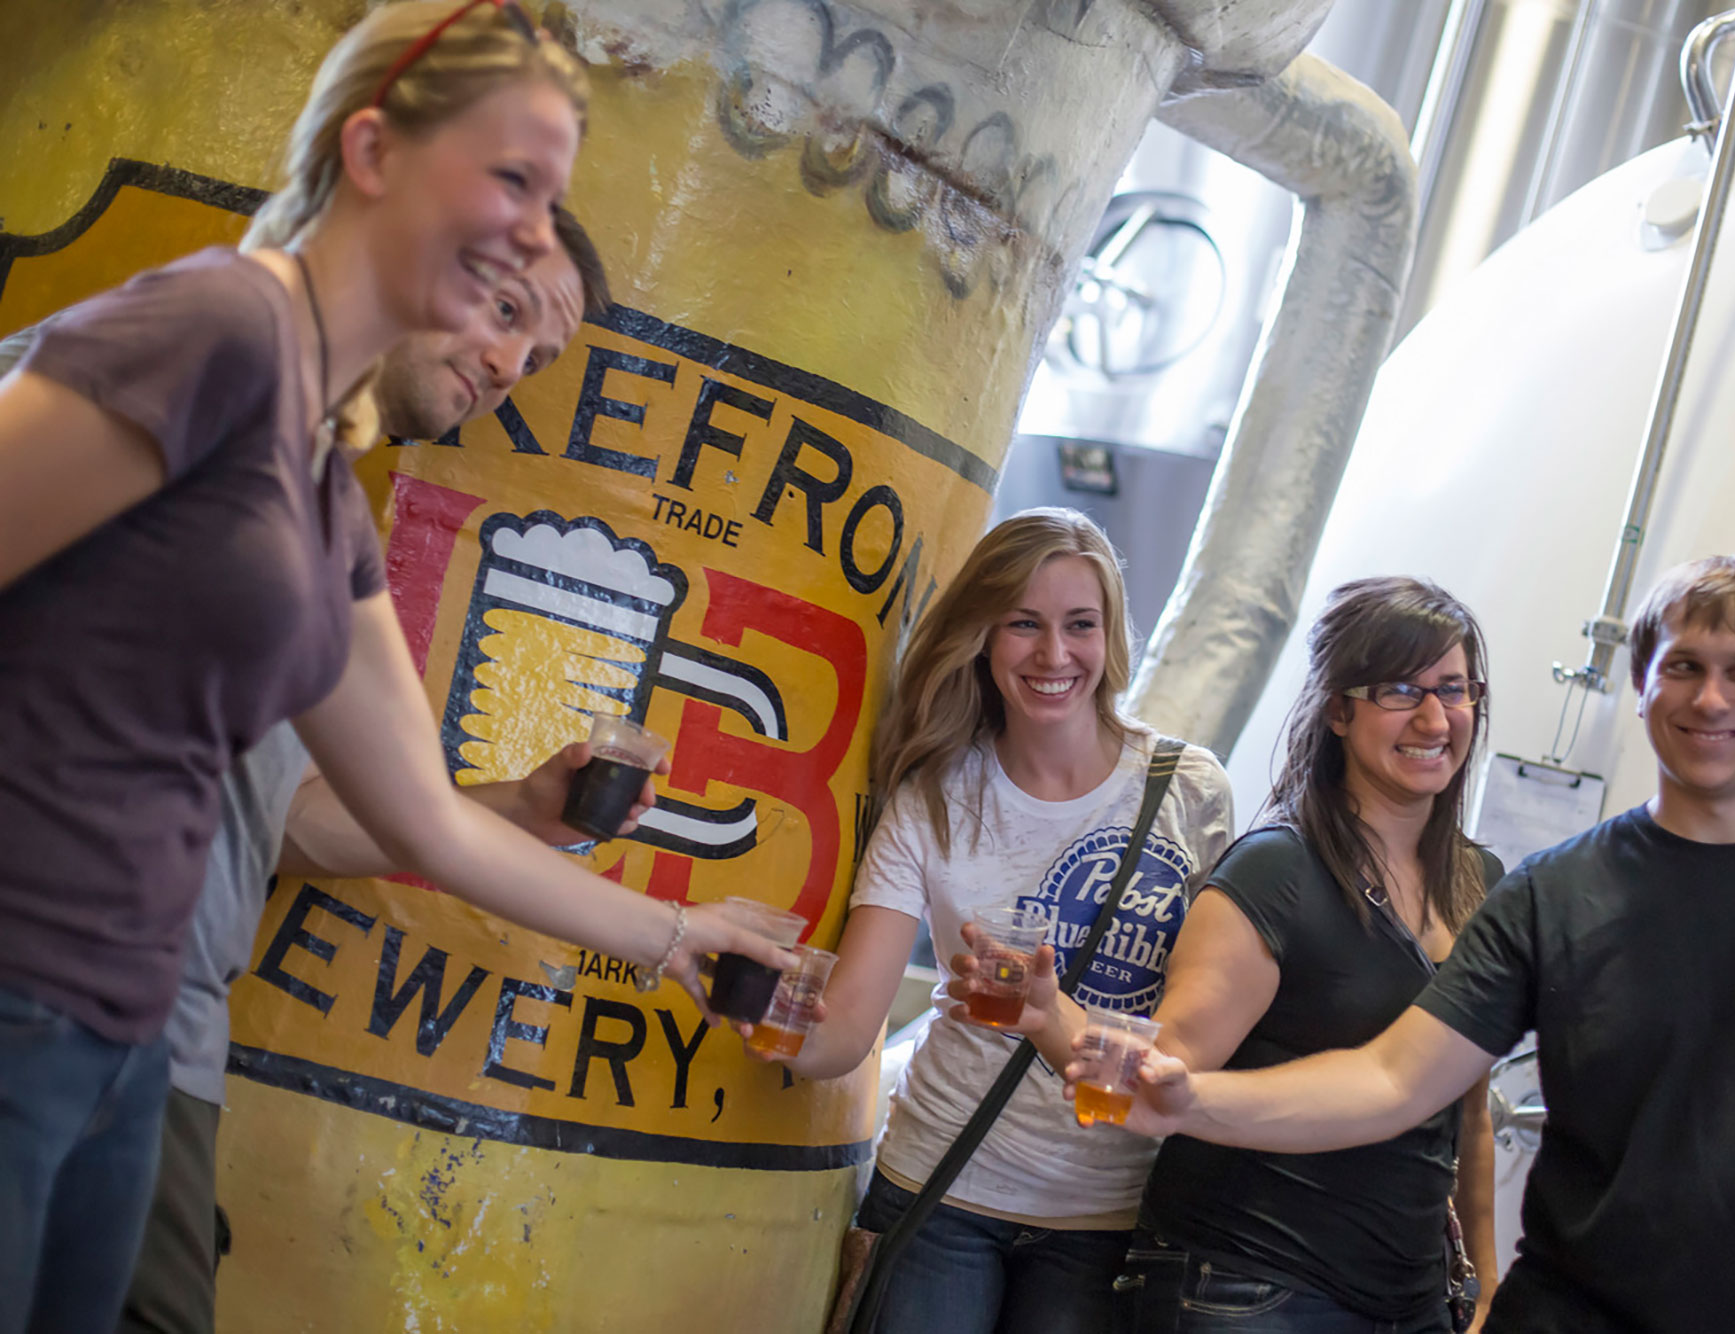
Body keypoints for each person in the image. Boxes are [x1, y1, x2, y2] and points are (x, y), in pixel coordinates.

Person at [0, 6, 794, 1332]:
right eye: (513, 185)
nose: (535, 234)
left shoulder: (322, 486)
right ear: (375, 154)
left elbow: (421, 813)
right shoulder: (217, 329)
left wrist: (680, 937)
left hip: (128, 1036)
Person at [1098, 556, 1735, 1334]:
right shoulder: (1551, 892)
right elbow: (1395, 1080)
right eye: (1685, 668)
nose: (1712, 699)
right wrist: (1192, 1102)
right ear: (1642, 685)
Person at [102, 205, 612, 1334]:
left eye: (536, 358)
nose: (506, 365)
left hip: (156, 1045)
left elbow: (295, 822)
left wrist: (525, 809)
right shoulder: (148, 374)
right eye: (505, 310)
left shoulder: (320, 510)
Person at [959, 576, 1501, 1332]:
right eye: (1401, 690)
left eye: (1455, 689)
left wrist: (1486, 1285)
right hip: (1244, 1287)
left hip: (1409, 1300)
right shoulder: (1277, 872)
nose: (1435, 718)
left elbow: (1470, 1109)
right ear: (1340, 709)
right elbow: (1165, 1071)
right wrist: (1048, 1016)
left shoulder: (1481, 882)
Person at [757, 508, 1234, 1333]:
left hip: (1111, 1211)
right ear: (983, 635)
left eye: (1079, 625)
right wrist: (746, 991)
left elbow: (1209, 1030)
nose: (1054, 656)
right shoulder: (934, 798)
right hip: (939, 1188)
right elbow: (842, 1035)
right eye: (1023, 624)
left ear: (1111, 635)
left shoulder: (1191, 791)